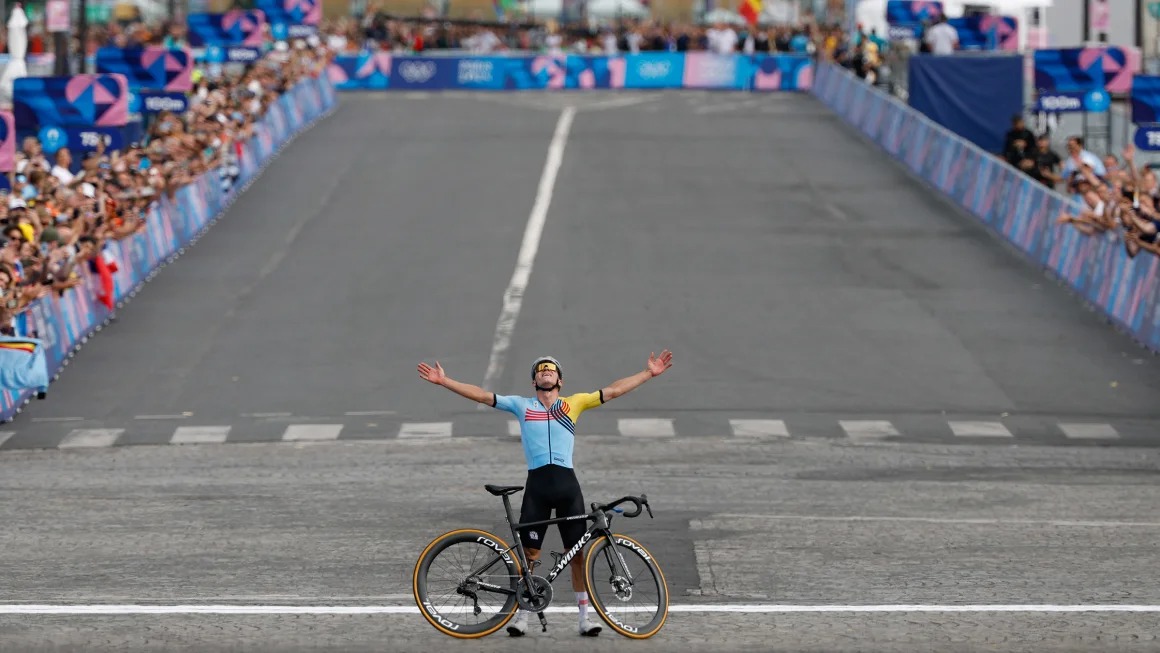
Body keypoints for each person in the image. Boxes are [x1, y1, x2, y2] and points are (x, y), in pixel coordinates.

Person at [416, 350, 674, 637]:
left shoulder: (573, 404)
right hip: (537, 488)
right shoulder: (522, 405)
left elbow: (613, 391)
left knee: (576, 555)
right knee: (530, 555)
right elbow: (481, 395)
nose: (545, 371)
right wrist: (445, 381)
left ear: (560, 381)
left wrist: (648, 373)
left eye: (551, 369)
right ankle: (523, 617)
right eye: (540, 370)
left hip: (567, 488)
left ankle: (584, 619)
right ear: (534, 381)